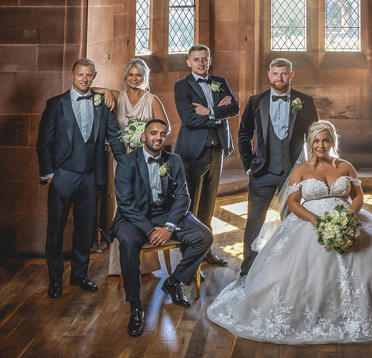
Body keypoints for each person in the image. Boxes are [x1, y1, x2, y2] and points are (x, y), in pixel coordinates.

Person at [207, 121, 372, 344]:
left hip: (348, 217)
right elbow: (293, 203)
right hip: (311, 222)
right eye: (316, 140)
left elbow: (358, 195)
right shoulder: (302, 170)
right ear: (310, 143)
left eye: (325, 140)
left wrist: (351, 215)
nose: (321, 144)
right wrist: (315, 220)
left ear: (333, 142)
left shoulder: (345, 166)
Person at [109, 119, 213, 337]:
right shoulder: (127, 162)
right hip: (134, 217)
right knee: (127, 242)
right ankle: (136, 306)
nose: (158, 137)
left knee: (203, 235)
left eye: (162, 134)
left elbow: (183, 197)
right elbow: (126, 204)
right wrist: (149, 230)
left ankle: (174, 282)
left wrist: (169, 226)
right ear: (143, 137)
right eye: (153, 133)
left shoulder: (173, 160)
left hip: (166, 214)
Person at [36, 57, 124, 298]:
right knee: (55, 230)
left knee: (85, 230)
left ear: (94, 77)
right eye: (80, 75)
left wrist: (125, 162)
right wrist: (50, 175)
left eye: (89, 75)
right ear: (72, 76)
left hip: (90, 177)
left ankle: (79, 275)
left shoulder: (101, 104)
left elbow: (114, 136)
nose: (84, 79)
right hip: (62, 176)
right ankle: (55, 280)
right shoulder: (56, 104)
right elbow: (43, 142)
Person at [237, 57, 318, 275]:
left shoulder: (305, 101)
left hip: (292, 174)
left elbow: (315, 138)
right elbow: (244, 135)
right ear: (269, 75)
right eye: (275, 73)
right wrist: (248, 165)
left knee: (293, 222)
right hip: (261, 172)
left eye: (283, 73)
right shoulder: (256, 101)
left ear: (291, 75)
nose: (279, 78)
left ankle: (292, 268)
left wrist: (310, 169)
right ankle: (248, 269)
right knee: (254, 222)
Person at [94, 58, 170, 275]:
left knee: (145, 206)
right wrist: (107, 92)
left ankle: (146, 265)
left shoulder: (151, 99)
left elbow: (166, 128)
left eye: (139, 75)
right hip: (123, 159)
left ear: (145, 78)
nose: (134, 79)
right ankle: (119, 265)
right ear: (125, 76)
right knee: (123, 206)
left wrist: (147, 137)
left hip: (146, 159)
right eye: (131, 75)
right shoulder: (118, 96)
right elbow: (90, 88)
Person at [174, 44, 239, 267]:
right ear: (189, 62)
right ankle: (189, 261)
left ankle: (206, 252)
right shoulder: (181, 86)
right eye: (197, 59)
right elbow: (188, 119)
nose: (201, 62)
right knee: (190, 206)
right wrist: (218, 115)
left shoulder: (219, 81)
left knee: (209, 205)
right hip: (193, 152)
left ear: (209, 61)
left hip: (217, 149)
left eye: (205, 58)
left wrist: (209, 111)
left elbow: (235, 108)